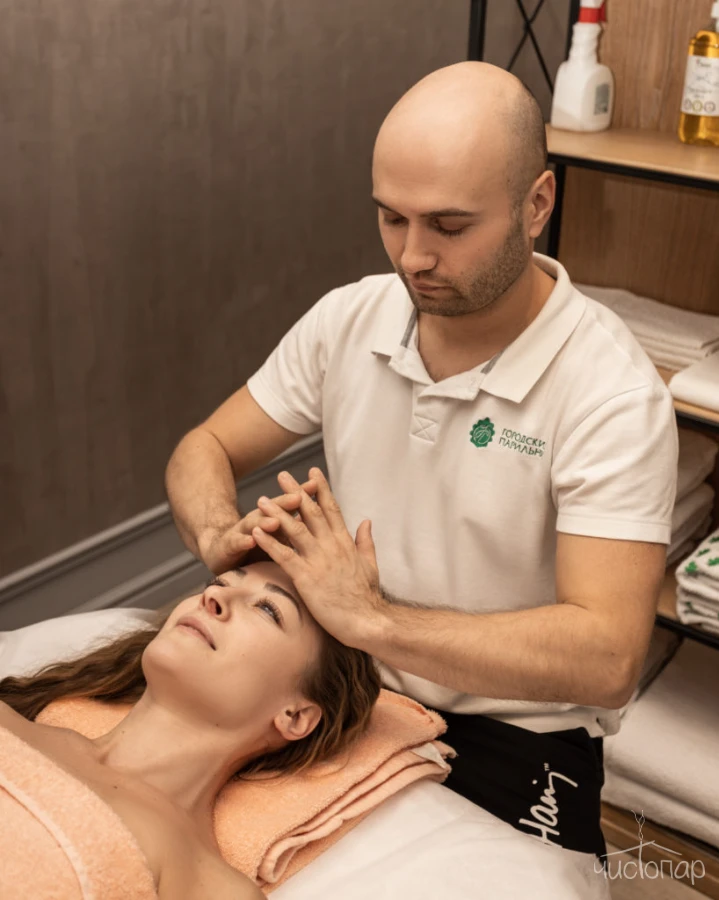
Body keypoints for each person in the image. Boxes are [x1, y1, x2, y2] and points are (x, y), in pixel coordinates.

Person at [164, 61, 678, 877]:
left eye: (448, 225)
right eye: (391, 218)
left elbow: (607, 657)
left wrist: (373, 619)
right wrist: (215, 534)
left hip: (516, 728)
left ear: (537, 203)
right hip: (344, 687)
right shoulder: (351, 317)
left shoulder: (609, 393)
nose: (412, 256)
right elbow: (206, 448)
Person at [0, 549, 382, 899]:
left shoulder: (212, 888)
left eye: (268, 609)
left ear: (295, 716)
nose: (212, 596)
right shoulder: (9, 722)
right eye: (218, 582)